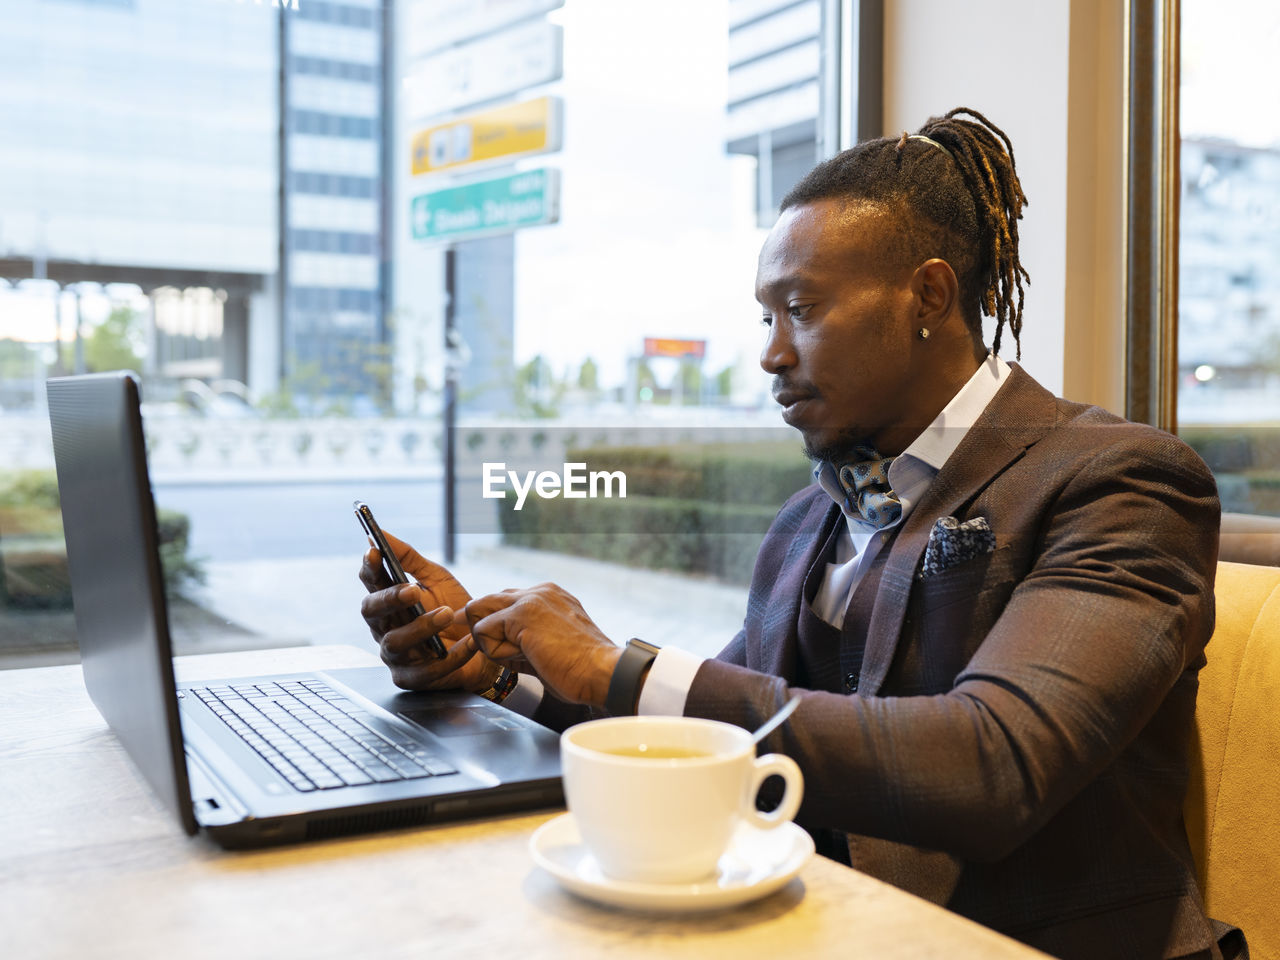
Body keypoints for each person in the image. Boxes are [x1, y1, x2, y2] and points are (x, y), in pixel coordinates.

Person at [359, 108, 1243, 960]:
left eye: (802, 310)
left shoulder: (1122, 481)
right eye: (765, 317)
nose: (771, 354)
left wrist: (611, 662)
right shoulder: (808, 516)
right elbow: (721, 724)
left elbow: (993, 765)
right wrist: (501, 669)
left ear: (927, 295)